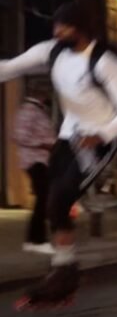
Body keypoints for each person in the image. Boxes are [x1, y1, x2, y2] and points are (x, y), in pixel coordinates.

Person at [0, 2, 117, 308]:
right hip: (68, 137)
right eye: (55, 27)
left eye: (64, 27)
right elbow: (10, 68)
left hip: (98, 140)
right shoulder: (51, 52)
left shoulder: (104, 62)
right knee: (51, 202)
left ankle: (65, 271)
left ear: (81, 28)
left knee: (61, 198)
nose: (57, 32)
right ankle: (65, 269)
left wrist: (103, 134)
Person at [13, 84, 56, 254]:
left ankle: (35, 239)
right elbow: (19, 136)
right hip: (34, 161)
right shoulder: (29, 111)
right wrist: (43, 144)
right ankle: (36, 240)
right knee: (43, 198)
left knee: (43, 198)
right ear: (40, 94)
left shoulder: (37, 110)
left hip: (41, 160)